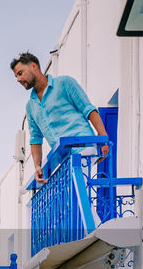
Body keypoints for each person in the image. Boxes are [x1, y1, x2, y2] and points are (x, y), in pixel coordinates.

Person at [10, 52, 109, 184]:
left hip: (83, 146)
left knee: (76, 192)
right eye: (16, 76)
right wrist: (37, 167)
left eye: (20, 73)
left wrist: (103, 139)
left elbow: (89, 109)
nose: (18, 79)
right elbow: (35, 139)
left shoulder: (65, 83)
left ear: (33, 66)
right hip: (63, 157)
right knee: (69, 198)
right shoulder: (31, 106)